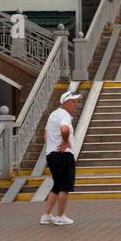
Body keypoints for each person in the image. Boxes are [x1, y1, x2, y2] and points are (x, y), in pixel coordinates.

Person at [41, 90, 81, 226]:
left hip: (52, 154)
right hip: (63, 154)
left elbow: (45, 134)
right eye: (73, 101)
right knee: (65, 187)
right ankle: (60, 216)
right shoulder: (64, 116)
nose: (76, 104)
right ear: (65, 102)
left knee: (57, 186)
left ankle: (46, 215)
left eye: (77, 101)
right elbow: (64, 130)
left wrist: (51, 145)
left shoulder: (53, 114)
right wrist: (65, 142)